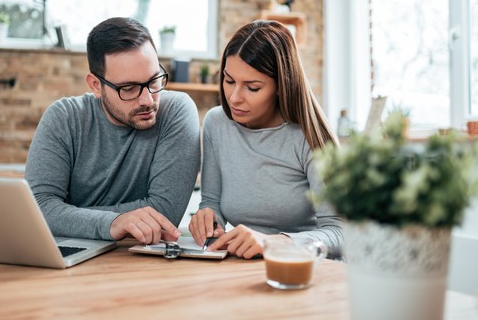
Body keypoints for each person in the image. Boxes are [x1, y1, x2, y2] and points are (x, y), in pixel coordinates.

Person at [25, 17, 201, 245]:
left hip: (140, 260)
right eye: (128, 88)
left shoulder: (176, 111)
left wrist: (69, 215)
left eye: (154, 80)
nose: (148, 100)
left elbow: (165, 213)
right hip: (69, 255)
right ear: (96, 86)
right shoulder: (65, 118)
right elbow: (38, 208)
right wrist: (113, 222)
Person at [189, 20, 343, 259]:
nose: (234, 98)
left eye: (252, 87)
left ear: (282, 86)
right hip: (246, 268)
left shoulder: (310, 136)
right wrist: (209, 220)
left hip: (305, 270)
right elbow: (211, 202)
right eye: (229, 81)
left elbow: (340, 233)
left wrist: (274, 243)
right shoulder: (216, 124)